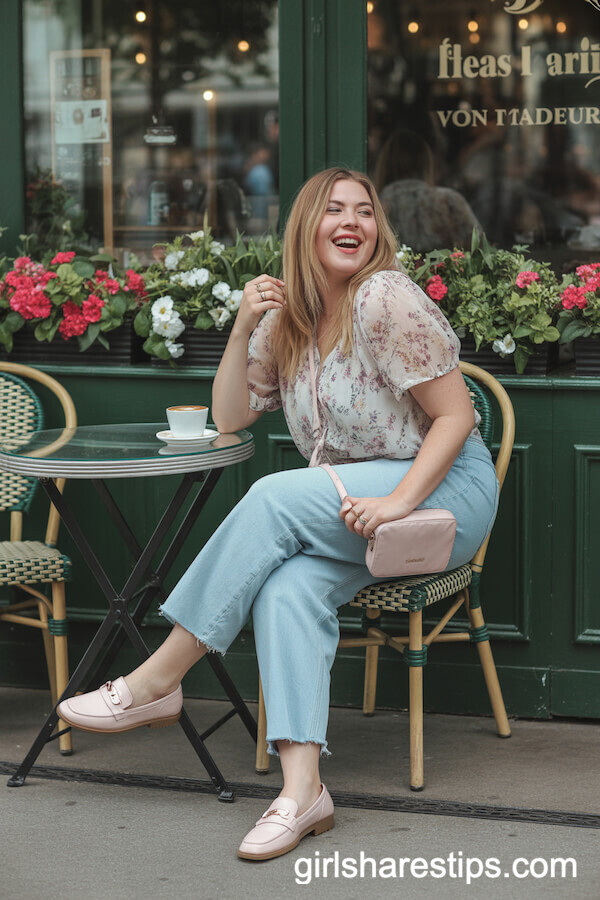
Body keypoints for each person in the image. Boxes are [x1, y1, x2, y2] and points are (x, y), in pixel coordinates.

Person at [58, 167, 499, 861]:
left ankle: (157, 679)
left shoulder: (383, 295)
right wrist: (241, 328)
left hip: (442, 493)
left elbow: (457, 417)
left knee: (269, 496)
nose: (352, 221)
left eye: (365, 212)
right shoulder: (291, 319)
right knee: (287, 586)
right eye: (334, 210)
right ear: (304, 227)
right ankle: (303, 794)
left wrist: (398, 502)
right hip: (353, 503)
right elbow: (230, 416)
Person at [374, 129, 482, 252]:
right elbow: (480, 251)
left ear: (383, 165)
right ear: (428, 162)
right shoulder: (449, 201)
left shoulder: (373, 207)